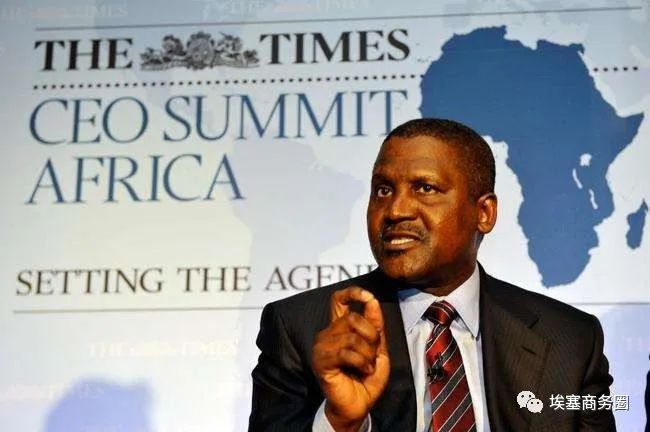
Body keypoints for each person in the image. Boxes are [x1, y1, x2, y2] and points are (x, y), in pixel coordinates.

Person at [248, 118, 615, 431]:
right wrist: (341, 422)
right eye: (383, 190)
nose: (396, 210)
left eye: (425, 188)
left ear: (484, 213)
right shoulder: (302, 327)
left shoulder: (570, 340)